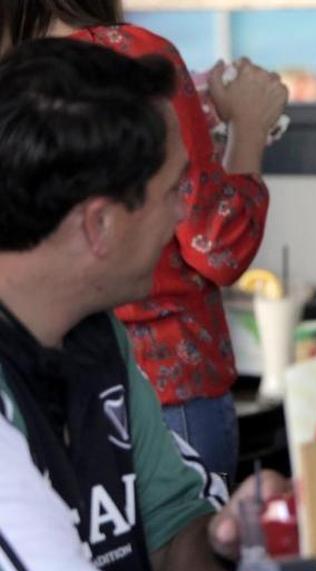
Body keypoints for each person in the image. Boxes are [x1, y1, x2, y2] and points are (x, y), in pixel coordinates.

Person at [0, 39, 285, 571]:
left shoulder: (100, 336)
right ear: (98, 224)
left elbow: (172, 542)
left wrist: (230, 544)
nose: (186, 212)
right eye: (173, 190)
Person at [1, 0, 289, 481]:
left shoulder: (23, 76)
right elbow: (217, 243)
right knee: (182, 540)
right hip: (163, 384)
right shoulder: (130, 56)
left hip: (42, 380)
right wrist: (249, 129)